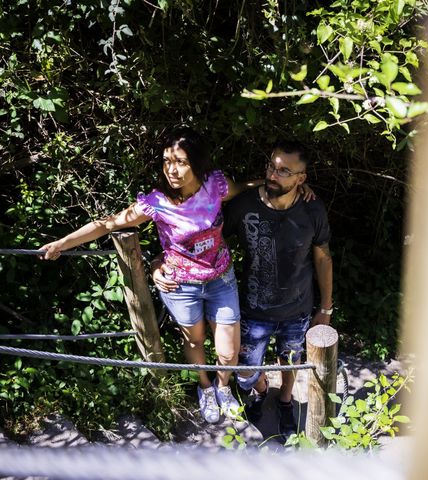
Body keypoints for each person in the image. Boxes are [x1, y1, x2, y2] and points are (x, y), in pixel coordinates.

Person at [40, 127, 263, 424]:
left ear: (197, 163)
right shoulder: (156, 202)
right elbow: (107, 224)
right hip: (180, 285)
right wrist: (62, 244)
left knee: (228, 349)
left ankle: (225, 387)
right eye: (166, 161)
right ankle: (206, 388)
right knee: (195, 342)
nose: (172, 169)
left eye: (181, 162)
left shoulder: (215, 185)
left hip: (220, 278)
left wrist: (275, 183)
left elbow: (244, 189)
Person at [153, 140, 333, 441]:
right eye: (271, 167)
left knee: (290, 360)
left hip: (298, 307)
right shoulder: (245, 204)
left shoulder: (312, 209)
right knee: (246, 370)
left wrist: (325, 308)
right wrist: (158, 261)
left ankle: (286, 401)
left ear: (301, 179)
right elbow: (201, 237)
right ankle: (261, 392)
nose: (273, 175)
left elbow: (323, 257)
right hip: (253, 310)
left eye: (284, 171)